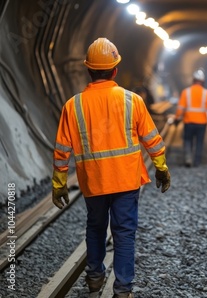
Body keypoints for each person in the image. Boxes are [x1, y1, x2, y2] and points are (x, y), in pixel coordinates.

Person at [51, 37, 171, 298]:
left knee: (95, 228)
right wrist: (161, 167)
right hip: (126, 180)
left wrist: (59, 184)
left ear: (88, 69)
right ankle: (123, 289)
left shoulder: (73, 106)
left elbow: (62, 150)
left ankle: (95, 277)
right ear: (115, 70)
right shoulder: (133, 101)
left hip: (93, 181)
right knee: (124, 233)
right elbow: (152, 139)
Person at [174, 70, 207, 167]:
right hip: (202, 123)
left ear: (193, 80)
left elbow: (181, 108)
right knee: (199, 142)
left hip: (189, 122)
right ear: (203, 81)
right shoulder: (206, 93)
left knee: (188, 140)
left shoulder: (186, 92)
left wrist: (177, 118)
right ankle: (197, 162)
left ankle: (188, 158)